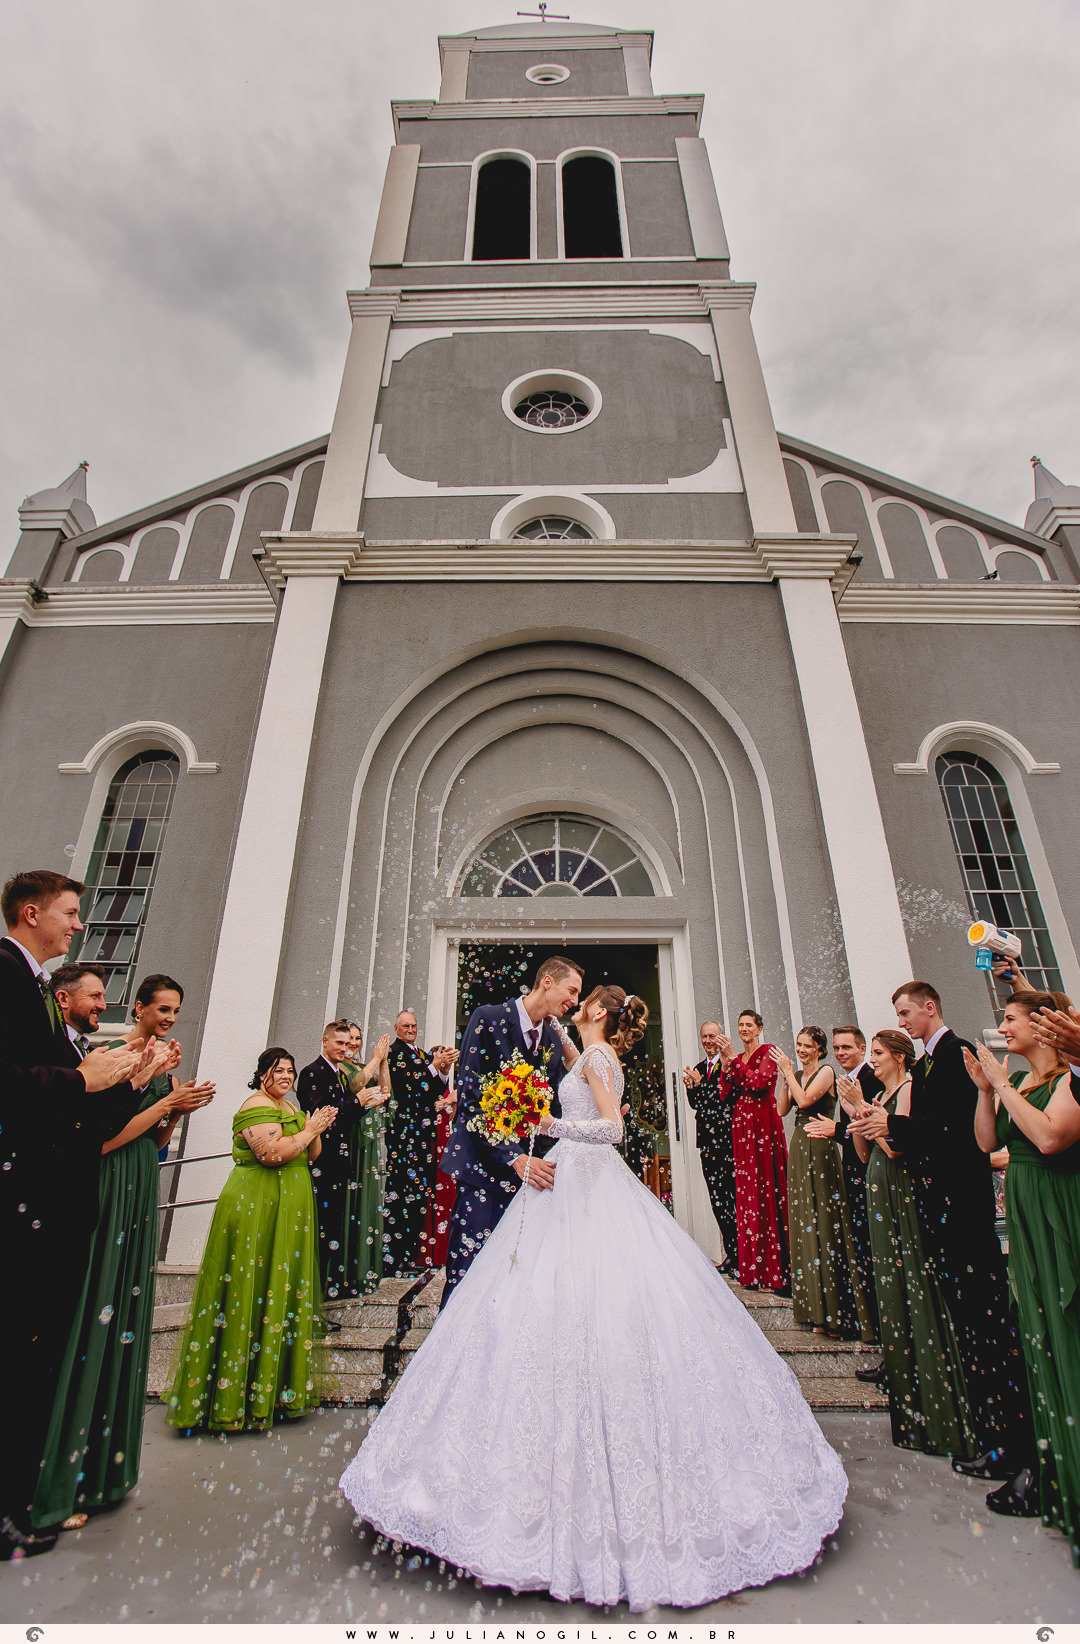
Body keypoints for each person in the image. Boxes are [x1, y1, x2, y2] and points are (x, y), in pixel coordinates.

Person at [340, 983, 847, 1609]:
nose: (573, 1002)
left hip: (587, 1173)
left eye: (584, 997)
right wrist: (521, 1111)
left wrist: (549, 1121)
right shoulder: (573, 1049)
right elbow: (535, 1069)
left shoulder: (600, 1058)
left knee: (598, 1302)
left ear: (600, 1011)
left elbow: (611, 1129)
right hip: (563, 1175)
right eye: (571, 991)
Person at [0, 869, 172, 1560]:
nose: (78, 924)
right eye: (70, 913)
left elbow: (71, 1111)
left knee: (32, 1357)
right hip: (28, 1201)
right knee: (19, 1357)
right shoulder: (8, 976)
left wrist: (127, 1080)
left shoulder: (34, 986)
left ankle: (19, 1501)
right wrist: (80, 1077)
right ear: (31, 911)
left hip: (51, 1199)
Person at [32, 970, 215, 1534]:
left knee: (123, 1317)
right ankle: (58, 1478)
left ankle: (105, 1473)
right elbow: (103, 1137)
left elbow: (156, 1145)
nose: (169, 1019)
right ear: (139, 1009)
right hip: (108, 1183)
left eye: (175, 1012)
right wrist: (160, 1100)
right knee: (95, 1308)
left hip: (141, 1186)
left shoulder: (160, 1065)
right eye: (162, 1009)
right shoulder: (110, 1057)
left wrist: (177, 1107)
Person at [851, 982, 1034, 1485]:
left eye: (907, 1012)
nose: (903, 1020)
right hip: (940, 1207)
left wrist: (892, 1125)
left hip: (962, 1207)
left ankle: (1005, 1442)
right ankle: (987, 1434)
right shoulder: (930, 1062)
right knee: (969, 1324)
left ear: (932, 1006)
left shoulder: (956, 1056)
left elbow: (955, 1136)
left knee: (986, 1324)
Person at [166, 1048, 336, 1432]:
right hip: (256, 1204)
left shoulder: (290, 1108)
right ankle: (231, 1401)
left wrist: (314, 1131)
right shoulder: (256, 1105)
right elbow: (271, 1154)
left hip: (289, 1207)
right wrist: (309, 1130)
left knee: (281, 1290)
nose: (287, 1077)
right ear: (262, 1074)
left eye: (290, 1071)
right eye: (279, 1070)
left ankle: (273, 1393)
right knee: (248, 1289)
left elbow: (311, 1155)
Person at [969, 990, 1080, 1536]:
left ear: (1043, 1027)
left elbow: (1049, 1136)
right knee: (1033, 1330)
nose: (1003, 1028)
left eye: (1010, 1020)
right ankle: (1049, 1466)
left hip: (1058, 1208)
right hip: (1024, 1211)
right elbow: (987, 1142)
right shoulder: (1021, 1084)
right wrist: (988, 1090)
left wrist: (1003, 1084)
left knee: (1065, 1325)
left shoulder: (1066, 1083)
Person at [852, 1030, 976, 1458]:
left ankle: (933, 1399)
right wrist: (859, 1117)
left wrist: (875, 1124)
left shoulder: (905, 1091)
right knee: (890, 1284)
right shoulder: (884, 1097)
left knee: (910, 1280)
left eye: (879, 1054)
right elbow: (866, 1153)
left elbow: (898, 1149)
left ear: (901, 1058)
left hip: (898, 1189)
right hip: (878, 1185)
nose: (874, 1061)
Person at [439, 957, 582, 1304]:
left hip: (529, 1177)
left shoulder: (551, 1037)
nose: (575, 1002)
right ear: (547, 981)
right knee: (468, 1269)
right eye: (572, 991)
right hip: (483, 1170)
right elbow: (472, 1099)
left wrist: (588, 1119)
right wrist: (514, 1158)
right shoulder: (487, 1018)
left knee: (513, 1276)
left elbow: (549, 1106)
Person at [773, 1027, 873, 1340]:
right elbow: (782, 1108)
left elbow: (804, 1101)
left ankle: (834, 1309)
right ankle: (812, 1306)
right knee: (804, 1222)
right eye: (799, 1045)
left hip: (820, 1148)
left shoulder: (827, 1072)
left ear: (819, 1049)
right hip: (800, 1146)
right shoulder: (796, 1073)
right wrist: (785, 1075)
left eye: (807, 1046)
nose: (801, 1050)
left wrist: (789, 1072)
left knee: (824, 1223)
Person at [299, 1019, 381, 1308]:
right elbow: (322, 1114)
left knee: (330, 1233)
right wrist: (357, 1102)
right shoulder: (312, 1073)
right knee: (320, 1235)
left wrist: (365, 1104)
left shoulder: (339, 1074)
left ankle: (319, 1303)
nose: (346, 1048)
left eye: (348, 1044)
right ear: (325, 1041)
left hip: (338, 1163)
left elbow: (345, 1114)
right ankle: (311, 1307)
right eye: (340, 1043)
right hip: (321, 1162)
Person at [384, 1012, 456, 1276]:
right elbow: (408, 1087)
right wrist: (433, 1066)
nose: (411, 1029)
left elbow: (434, 1090)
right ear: (396, 1028)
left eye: (414, 1025)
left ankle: (412, 1254)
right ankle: (396, 1258)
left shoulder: (423, 1055)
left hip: (423, 1135)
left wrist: (444, 1071)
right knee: (403, 1194)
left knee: (420, 1196)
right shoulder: (395, 1053)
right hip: (406, 1134)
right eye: (406, 1026)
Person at [723, 1008, 789, 1293]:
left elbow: (759, 1084)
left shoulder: (768, 1052)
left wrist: (737, 1063)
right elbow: (727, 1093)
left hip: (762, 1125)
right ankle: (752, 1270)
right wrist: (728, 1065)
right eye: (741, 1025)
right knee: (748, 1194)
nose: (744, 1029)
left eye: (749, 1025)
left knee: (766, 1190)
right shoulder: (738, 1059)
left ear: (759, 1028)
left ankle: (773, 1272)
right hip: (742, 1127)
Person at [340, 1026, 393, 1299]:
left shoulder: (364, 1065)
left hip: (370, 1140)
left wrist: (382, 1062)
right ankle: (348, 1271)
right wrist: (375, 1057)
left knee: (370, 1198)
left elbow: (385, 1091)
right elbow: (356, 1085)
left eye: (357, 1038)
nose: (353, 1042)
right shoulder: (344, 1069)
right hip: (352, 1140)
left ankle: (365, 1269)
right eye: (349, 1038)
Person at [682, 1020, 738, 1274]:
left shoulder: (729, 1066)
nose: (708, 1041)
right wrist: (692, 1087)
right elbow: (697, 1105)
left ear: (720, 1038)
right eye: (704, 1036)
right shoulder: (697, 1068)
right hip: (707, 1140)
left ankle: (742, 1254)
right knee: (718, 1199)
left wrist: (701, 1086)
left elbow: (723, 1099)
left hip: (727, 1139)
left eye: (712, 1036)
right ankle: (731, 1252)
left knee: (734, 1195)